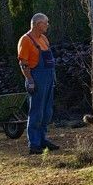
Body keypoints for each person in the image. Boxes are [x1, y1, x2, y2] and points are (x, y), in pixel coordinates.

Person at [18, 12, 59, 154]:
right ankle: (34, 144)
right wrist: (30, 80)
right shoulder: (26, 40)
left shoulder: (44, 39)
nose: (47, 25)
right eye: (45, 22)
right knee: (36, 111)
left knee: (47, 112)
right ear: (36, 24)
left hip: (48, 78)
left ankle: (42, 139)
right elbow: (23, 63)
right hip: (36, 79)